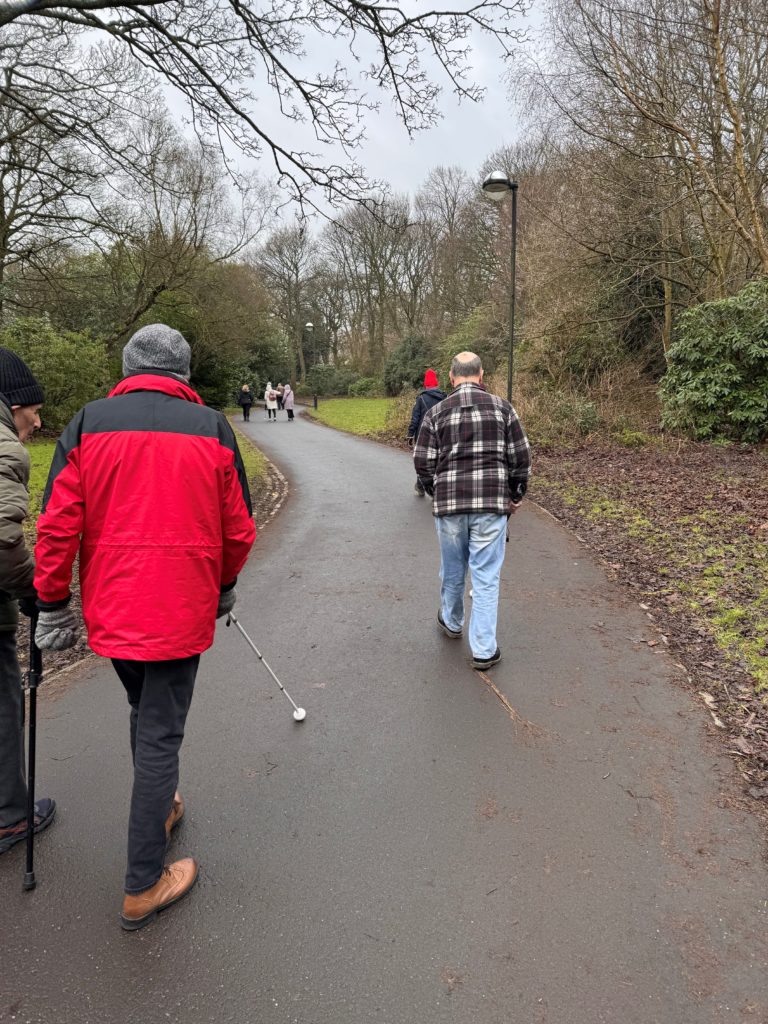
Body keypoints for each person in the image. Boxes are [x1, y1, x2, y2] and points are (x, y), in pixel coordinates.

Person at [33, 324, 256, 930]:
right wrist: (225, 584)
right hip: (181, 609)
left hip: (115, 605)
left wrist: (52, 602)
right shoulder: (211, 427)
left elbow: (56, 522)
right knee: (161, 731)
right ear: (183, 372)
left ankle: (158, 808)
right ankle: (142, 883)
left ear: (128, 367)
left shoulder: (88, 422)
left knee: (145, 710)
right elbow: (238, 528)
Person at [414, 351, 531, 671]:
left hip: (450, 507)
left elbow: (422, 461)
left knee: (452, 569)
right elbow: (520, 457)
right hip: (491, 506)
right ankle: (483, 649)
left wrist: (436, 490)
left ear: (451, 377)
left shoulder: (436, 413)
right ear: (481, 376)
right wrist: (516, 493)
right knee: (486, 576)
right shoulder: (503, 409)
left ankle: (452, 623)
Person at [0, 349, 56, 855]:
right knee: (2, 700)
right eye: (31, 409)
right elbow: (2, 537)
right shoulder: (5, 448)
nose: (37, 422)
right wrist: (32, 592)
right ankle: (9, 818)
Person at [407, 369, 446, 497]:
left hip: (423, 433)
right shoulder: (444, 397)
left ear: (426, 384)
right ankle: (437, 486)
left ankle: (421, 485)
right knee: (439, 459)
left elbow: (415, 418)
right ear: (436, 383)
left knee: (423, 459)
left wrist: (410, 434)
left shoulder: (421, 398)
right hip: (441, 432)